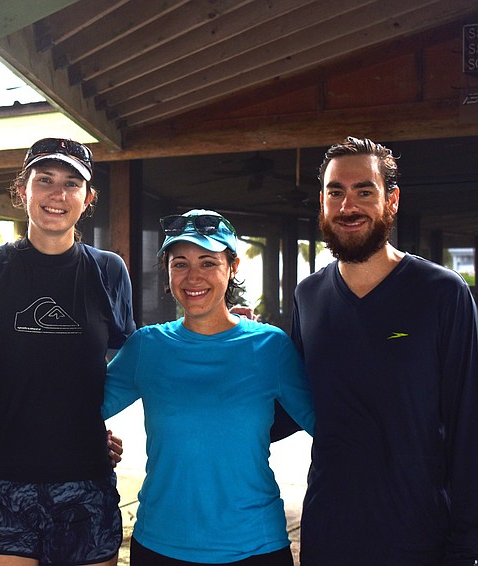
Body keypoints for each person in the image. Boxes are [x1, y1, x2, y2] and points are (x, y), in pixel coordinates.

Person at [273, 137, 478, 565]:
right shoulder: (309, 295)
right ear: (323, 202)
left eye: (364, 191)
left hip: (418, 536)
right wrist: (233, 347)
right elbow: (291, 407)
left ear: (392, 200)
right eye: (335, 192)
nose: (348, 206)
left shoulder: (442, 292)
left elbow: (468, 426)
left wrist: (466, 544)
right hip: (328, 531)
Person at [0, 137, 136, 566]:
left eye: (72, 183)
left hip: (84, 481)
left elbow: (139, 358)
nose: (57, 194)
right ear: (22, 190)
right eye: (45, 180)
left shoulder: (107, 270)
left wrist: (215, 325)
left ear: (88, 198)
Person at [102, 209, 315, 566]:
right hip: (160, 545)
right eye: (180, 264)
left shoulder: (270, 347)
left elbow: (331, 428)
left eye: (208, 262)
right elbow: (78, 410)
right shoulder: (147, 347)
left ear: (233, 267)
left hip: (256, 546)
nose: (193, 277)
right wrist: (91, 442)